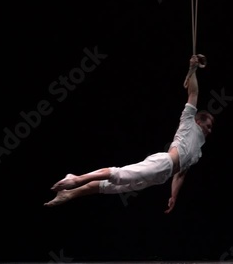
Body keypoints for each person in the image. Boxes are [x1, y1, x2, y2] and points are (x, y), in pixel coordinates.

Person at [44, 55, 214, 214]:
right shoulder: (189, 122)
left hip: (161, 176)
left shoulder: (198, 151)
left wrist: (174, 195)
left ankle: (71, 194)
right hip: (164, 163)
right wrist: (193, 69)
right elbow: (193, 93)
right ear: (199, 121)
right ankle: (77, 179)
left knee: (112, 187)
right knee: (119, 174)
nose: (210, 129)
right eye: (208, 124)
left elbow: (180, 174)